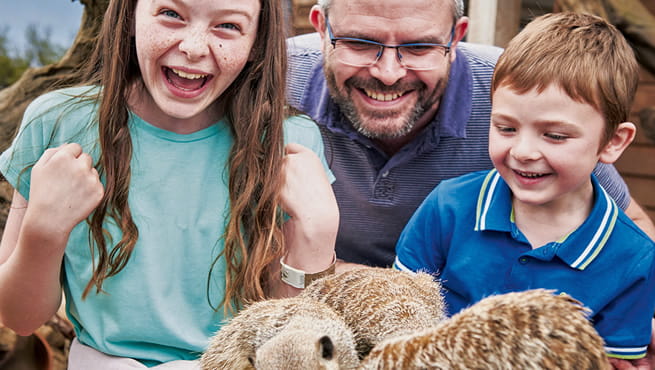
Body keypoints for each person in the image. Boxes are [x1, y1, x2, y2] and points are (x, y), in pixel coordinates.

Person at [0, 0, 338, 367]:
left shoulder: (289, 141)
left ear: (256, 42)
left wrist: (317, 237)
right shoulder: (58, 123)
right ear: (130, 17)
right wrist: (43, 233)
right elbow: (19, 319)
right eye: (171, 15)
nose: (194, 48)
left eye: (227, 26)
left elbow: (289, 340)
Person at [285, 0, 655, 269]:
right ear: (320, 27)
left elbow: (632, 228)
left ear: (456, 36)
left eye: (419, 47)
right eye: (361, 43)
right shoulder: (272, 82)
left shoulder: (521, 96)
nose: (388, 73)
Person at [393, 12, 655, 368]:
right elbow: (397, 320)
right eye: (506, 128)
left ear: (612, 141)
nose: (523, 152)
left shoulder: (634, 258)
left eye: (555, 135)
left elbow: (613, 362)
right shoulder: (447, 208)